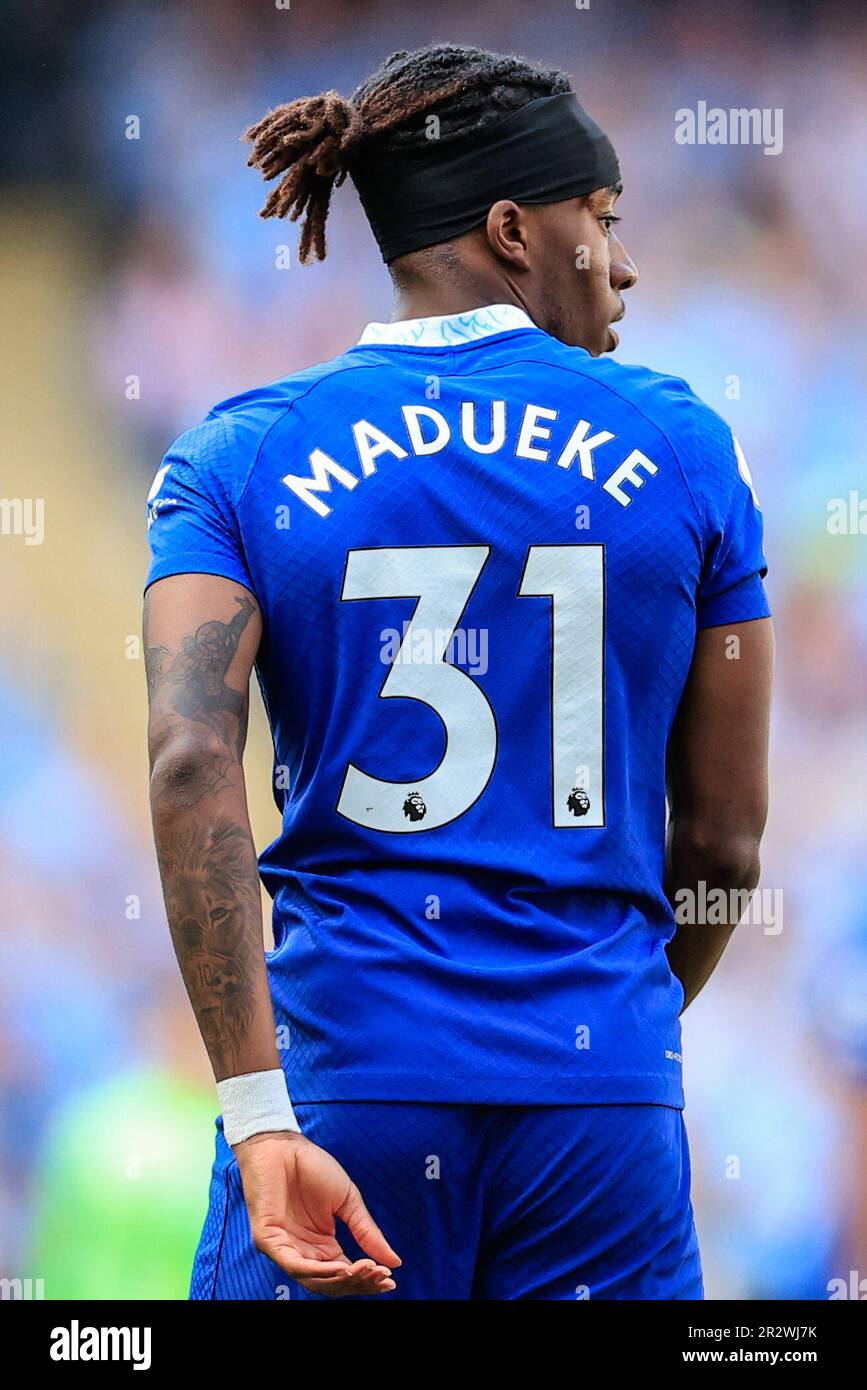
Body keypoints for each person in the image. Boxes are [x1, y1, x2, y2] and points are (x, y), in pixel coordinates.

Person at [144, 43, 773, 1300]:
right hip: (601, 1114)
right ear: (512, 231)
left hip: (346, 1094)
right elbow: (724, 842)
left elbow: (189, 755)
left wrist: (260, 1113)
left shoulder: (238, 452)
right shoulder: (687, 445)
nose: (626, 261)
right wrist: (607, 1043)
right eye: (603, 220)